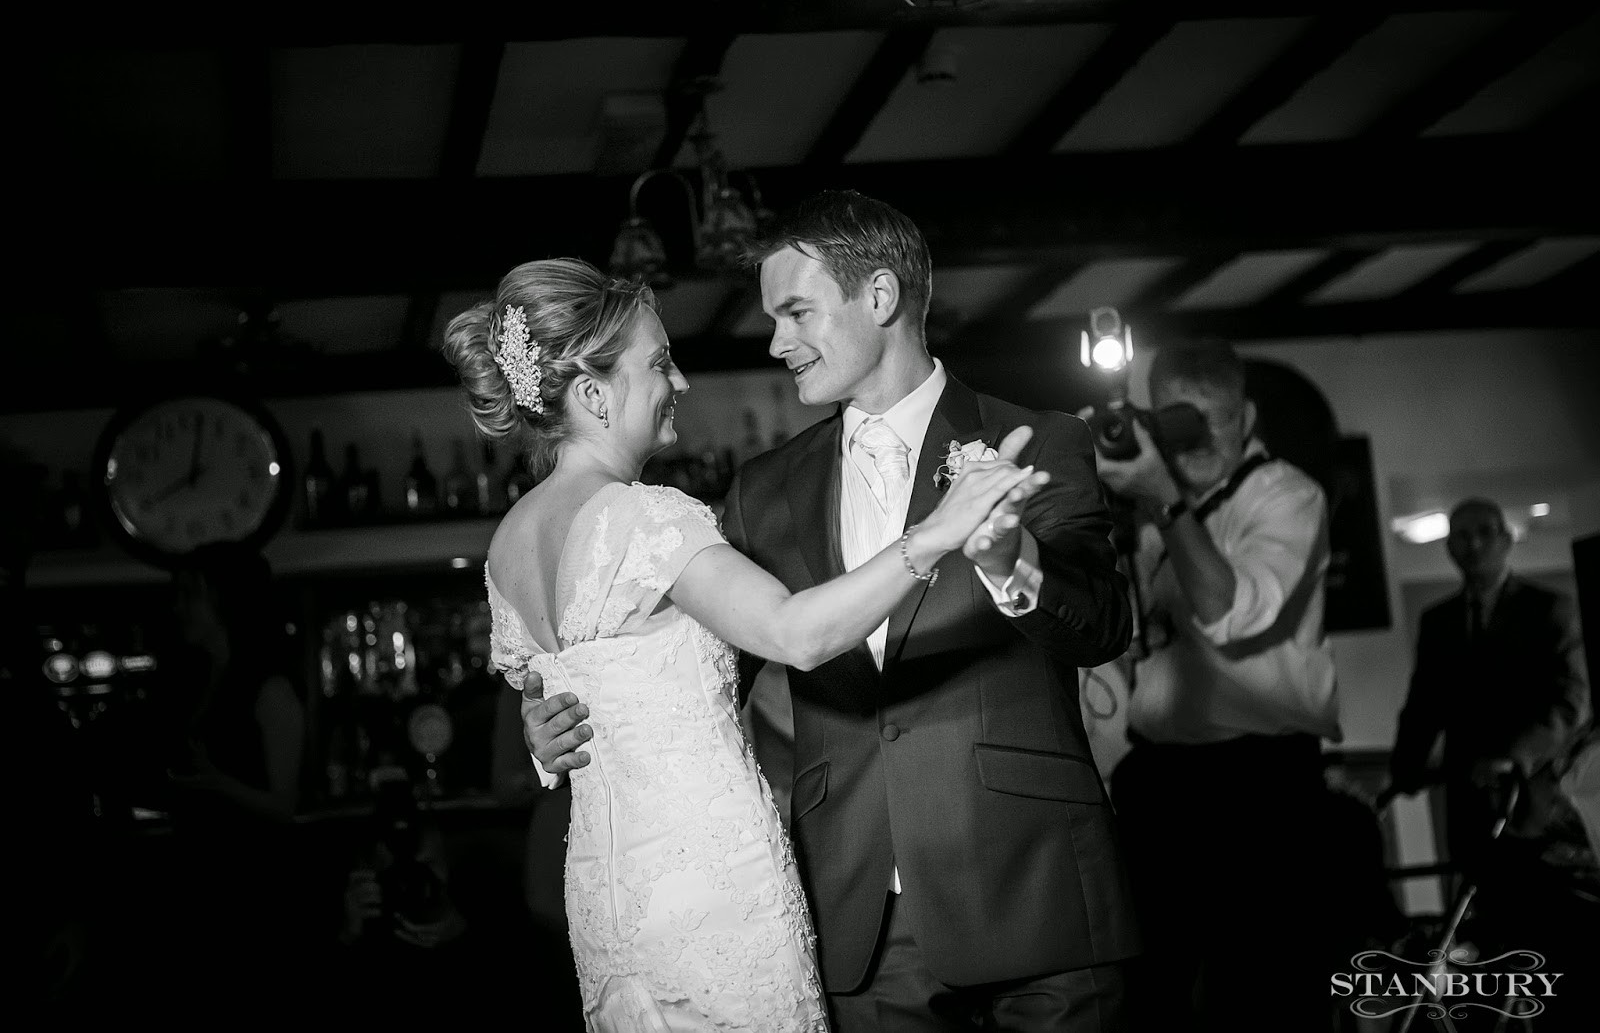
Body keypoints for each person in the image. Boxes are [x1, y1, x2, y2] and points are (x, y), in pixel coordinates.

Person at [526, 191, 1141, 1032]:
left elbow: (1103, 626)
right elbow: (698, 674)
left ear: (879, 297)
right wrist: (567, 716)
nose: (776, 341)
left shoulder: (1036, 440)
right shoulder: (763, 490)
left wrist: (1009, 560)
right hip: (860, 919)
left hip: (1038, 894)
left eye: (796, 312)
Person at [442, 253, 1048, 1032]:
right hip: (712, 884)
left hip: (608, 894)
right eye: (659, 363)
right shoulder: (643, 517)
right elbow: (795, 633)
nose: (681, 381)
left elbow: (557, 700)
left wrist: (543, 737)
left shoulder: (507, 545)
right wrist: (933, 535)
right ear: (593, 394)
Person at [1086, 337, 1342, 1031]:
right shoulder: (1146, 513)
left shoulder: (1287, 495)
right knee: (1149, 998)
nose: (1196, 437)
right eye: (1178, 420)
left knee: (1268, 995)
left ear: (1247, 416)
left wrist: (1165, 503)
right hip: (1161, 779)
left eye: (1214, 418)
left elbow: (1230, 614)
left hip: (1264, 784)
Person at [1388, 498, 1596, 1028]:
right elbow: (1422, 707)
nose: (1474, 544)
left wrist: (1513, 756)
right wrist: (1399, 778)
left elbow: (1571, 704)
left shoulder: (1550, 609)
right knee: (1491, 941)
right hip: (1471, 813)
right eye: (1461, 535)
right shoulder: (1439, 622)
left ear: (1506, 539)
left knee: (1553, 941)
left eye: (1484, 532)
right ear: (1449, 548)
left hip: (1536, 808)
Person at [161, 543, 309, 1012]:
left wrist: (217, 782)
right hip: (207, 885)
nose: (178, 608)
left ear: (223, 600)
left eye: (190, 595)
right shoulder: (203, 678)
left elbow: (284, 805)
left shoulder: (270, 686)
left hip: (252, 892)